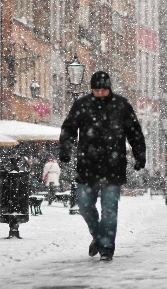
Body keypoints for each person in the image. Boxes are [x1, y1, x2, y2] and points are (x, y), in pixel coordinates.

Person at [59, 71, 146, 262]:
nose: (99, 93)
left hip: (113, 167)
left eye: (103, 90)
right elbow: (69, 128)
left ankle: (106, 248)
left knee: (109, 209)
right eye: (96, 90)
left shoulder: (121, 105)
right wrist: (65, 148)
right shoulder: (82, 105)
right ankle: (98, 236)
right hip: (87, 165)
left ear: (109, 89)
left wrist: (139, 156)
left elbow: (134, 132)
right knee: (83, 204)